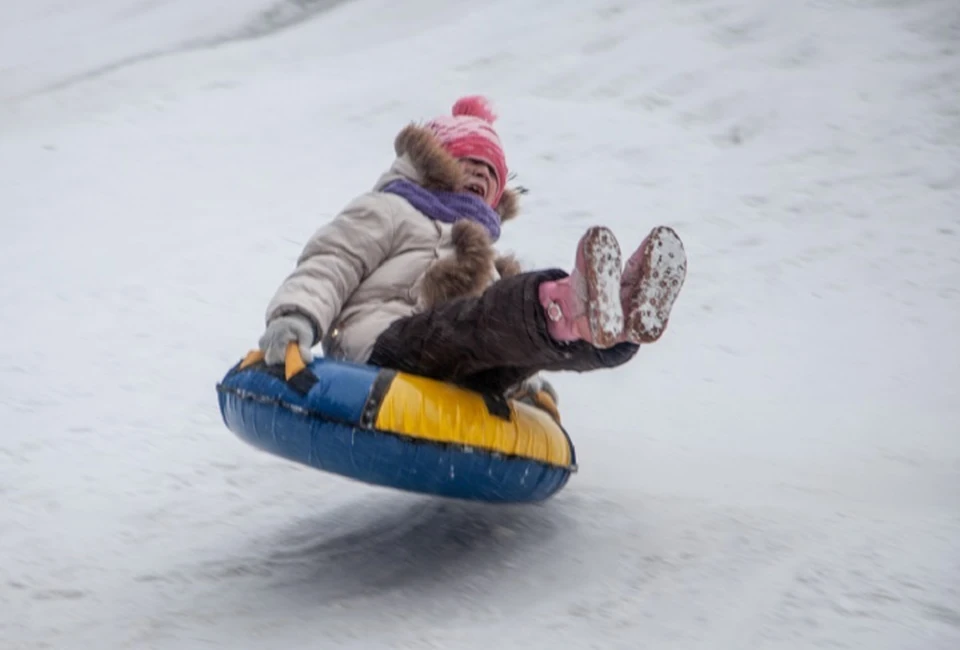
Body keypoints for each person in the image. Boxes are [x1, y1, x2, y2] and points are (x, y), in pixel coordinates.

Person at [257, 96, 687, 421]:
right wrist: (297, 318)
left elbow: (490, 338)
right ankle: (570, 305)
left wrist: (523, 380)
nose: (481, 174)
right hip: (384, 350)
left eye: (492, 172)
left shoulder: (486, 254)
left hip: (456, 366)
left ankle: (609, 323)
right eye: (468, 162)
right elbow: (332, 261)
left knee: (508, 330)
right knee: (489, 316)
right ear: (435, 166)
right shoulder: (388, 210)